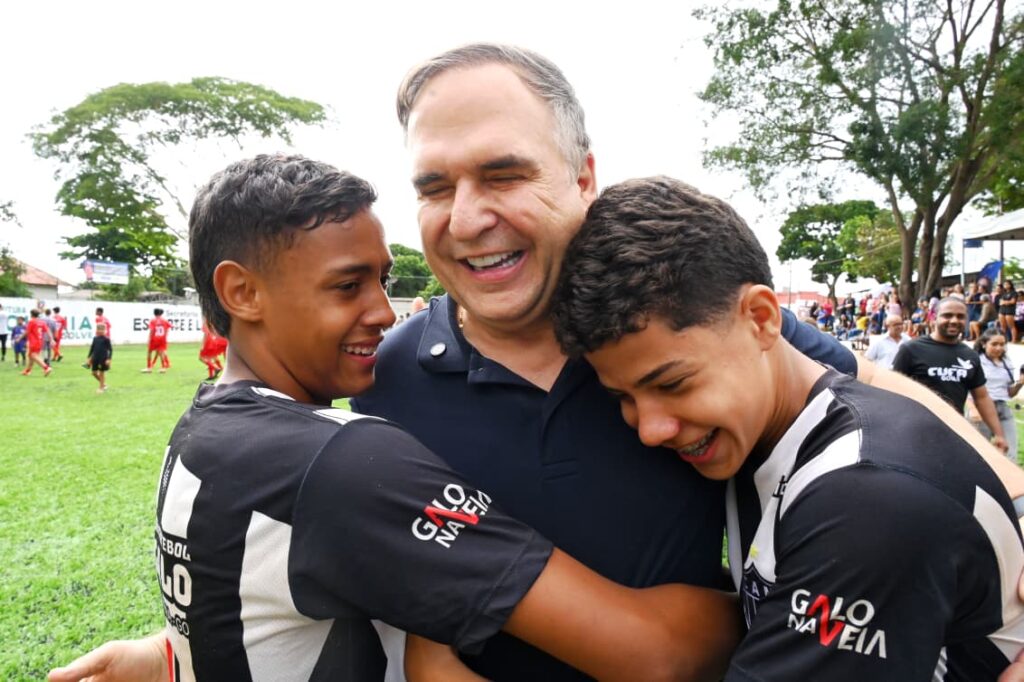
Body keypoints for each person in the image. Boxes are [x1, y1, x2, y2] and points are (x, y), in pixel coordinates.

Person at [51, 43, 1024, 681]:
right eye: (434, 186)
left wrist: (1007, 491)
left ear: (583, 178)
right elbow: (364, 551)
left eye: (503, 173)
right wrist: (181, 648)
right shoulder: (380, 375)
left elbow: (859, 383)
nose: (467, 216)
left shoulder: (678, 333)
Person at [50, 154, 741, 682]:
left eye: (383, 279)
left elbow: (253, 600)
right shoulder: (343, 460)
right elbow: (659, 655)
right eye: (347, 285)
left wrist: (170, 657)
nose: (384, 311)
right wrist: (784, 607)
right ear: (242, 292)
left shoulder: (207, 428)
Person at [548, 176, 1024, 681]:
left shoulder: (864, 498)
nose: (650, 430)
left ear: (761, 318)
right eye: (623, 397)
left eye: (673, 383)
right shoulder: (766, 430)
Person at [893, 298, 1009, 452]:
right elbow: (892, 391)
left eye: (960, 316)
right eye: (947, 315)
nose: (954, 320)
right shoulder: (911, 350)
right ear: (934, 317)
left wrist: (999, 434)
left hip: (953, 433)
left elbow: (981, 397)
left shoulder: (970, 356)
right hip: (915, 433)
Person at [974, 328, 1022, 460]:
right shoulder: (976, 361)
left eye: (1002, 344)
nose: (999, 348)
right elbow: (969, 389)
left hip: (1003, 408)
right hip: (982, 409)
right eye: (994, 344)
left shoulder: (1007, 362)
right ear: (984, 344)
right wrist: (973, 410)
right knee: (980, 453)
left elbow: (1009, 393)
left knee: (1010, 452)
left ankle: (1009, 479)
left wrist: (1020, 383)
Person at [19, 308, 53, 377]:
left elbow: (27, 332)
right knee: (31, 357)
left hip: (33, 342)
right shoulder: (41, 322)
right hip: (40, 341)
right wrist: (51, 339)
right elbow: (48, 330)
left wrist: (20, 338)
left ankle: (46, 368)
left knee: (33, 356)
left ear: (31, 314)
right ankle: (27, 371)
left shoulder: (32, 322)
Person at [142, 309, 172, 373]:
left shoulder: (153, 321)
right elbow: (169, 327)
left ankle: (149, 367)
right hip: (162, 338)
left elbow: (152, 330)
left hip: (154, 338)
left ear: (154, 313)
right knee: (161, 352)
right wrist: (165, 335)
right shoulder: (164, 320)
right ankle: (163, 367)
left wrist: (149, 338)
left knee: (149, 352)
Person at [86, 322, 112, 393]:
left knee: (101, 373)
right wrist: (89, 358)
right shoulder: (95, 338)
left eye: (102, 329)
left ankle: (101, 388)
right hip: (95, 358)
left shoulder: (106, 339)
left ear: (105, 330)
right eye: (99, 329)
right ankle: (103, 384)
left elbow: (110, 349)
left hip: (103, 359)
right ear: (96, 330)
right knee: (94, 373)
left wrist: (108, 359)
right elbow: (92, 348)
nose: (100, 331)